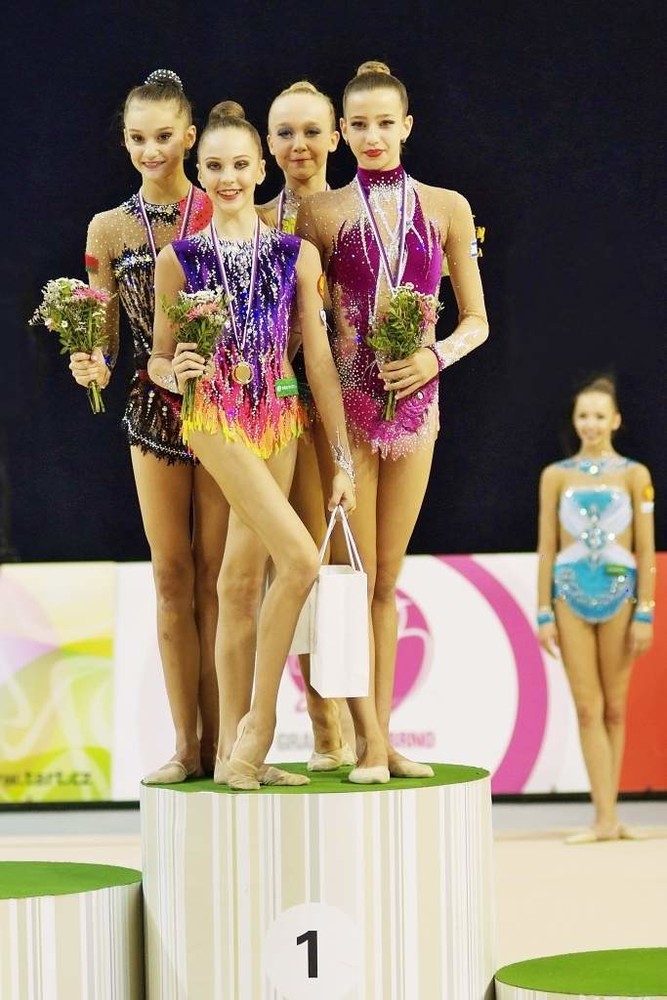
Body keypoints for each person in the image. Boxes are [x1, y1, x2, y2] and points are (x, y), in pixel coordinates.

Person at [148, 101, 372, 790]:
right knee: (301, 561)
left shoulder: (295, 254)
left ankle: (231, 757)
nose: (227, 178)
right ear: (200, 171)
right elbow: (157, 359)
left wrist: (340, 459)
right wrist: (175, 370)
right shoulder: (178, 259)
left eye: (239, 165)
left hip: (279, 419)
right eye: (214, 166)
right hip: (214, 419)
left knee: (240, 585)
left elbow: (319, 361)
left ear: (258, 169)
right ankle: (259, 727)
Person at [296, 61, 488, 779]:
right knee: (354, 578)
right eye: (359, 124)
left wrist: (433, 359)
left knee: (386, 582)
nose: (372, 135)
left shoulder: (446, 207)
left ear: (407, 125)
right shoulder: (323, 213)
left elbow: (477, 321)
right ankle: (364, 741)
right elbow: (311, 325)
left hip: (416, 407)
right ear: (342, 133)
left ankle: (384, 739)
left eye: (385, 122)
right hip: (346, 412)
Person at [69, 70, 228, 783]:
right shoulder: (109, 228)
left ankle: (225, 744)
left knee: (219, 579)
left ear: (189, 137)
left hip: (226, 407)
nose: (150, 150)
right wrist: (92, 363)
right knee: (171, 576)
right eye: (138, 138)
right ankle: (185, 745)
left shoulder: (222, 206)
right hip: (154, 409)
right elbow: (102, 336)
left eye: (163, 136)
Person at [259, 80, 355, 771]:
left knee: (344, 562)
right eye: (286, 132)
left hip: (345, 404)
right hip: (272, 409)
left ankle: (363, 723)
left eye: (311, 131)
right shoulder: (251, 219)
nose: (299, 144)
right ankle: (324, 724)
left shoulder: (356, 215)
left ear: (335, 138)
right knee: (293, 562)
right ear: (268, 144)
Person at [537, 376, 656, 842]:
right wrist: (543, 611)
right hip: (569, 593)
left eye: (599, 416)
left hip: (620, 595)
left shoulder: (635, 475)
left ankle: (612, 817)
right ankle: (602, 818)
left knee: (616, 709)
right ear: (574, 420)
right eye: (583, 415)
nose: (591, 423)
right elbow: (547, 547)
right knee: (588, 709)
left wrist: (645, 612)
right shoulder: (556, 475)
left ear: (616, 420)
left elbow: (645, 550)